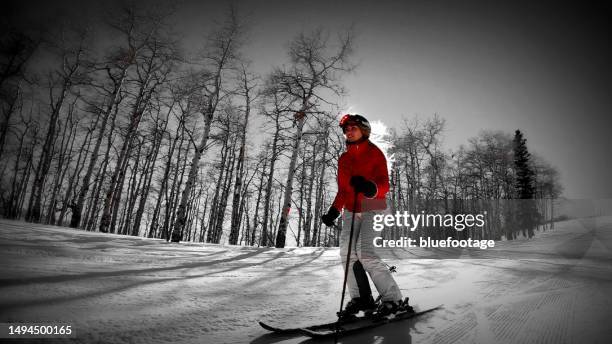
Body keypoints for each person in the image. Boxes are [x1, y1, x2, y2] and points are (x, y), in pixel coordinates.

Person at [321, 114, 406, 318]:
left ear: (364, 130)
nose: (348, 132)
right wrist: (333, 211)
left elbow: (384, 184)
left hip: (373, 205)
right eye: (346, 129)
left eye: (353, 128)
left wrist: (370, 187)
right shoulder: (344, 159)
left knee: (364, 251)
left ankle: (393, 300)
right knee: (346, 252)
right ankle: (361, 298)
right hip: (351, 209)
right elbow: (343, 191)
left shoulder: (374, 153)